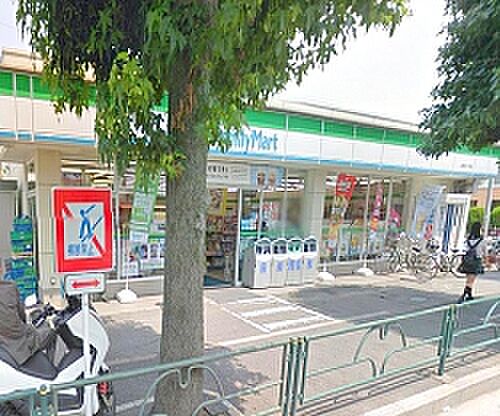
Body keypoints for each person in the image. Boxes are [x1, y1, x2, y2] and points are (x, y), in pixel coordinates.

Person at [0, 281, 53, 365]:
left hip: (5, 349)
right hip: (19, 347)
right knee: (50, 332)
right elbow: (22, 316)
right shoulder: (9, 287)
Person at [458, 222, 487, 303]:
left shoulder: (468, 240)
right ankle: (464, 295)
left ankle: (469, 295)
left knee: (469, 279)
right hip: (476, 261)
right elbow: (485, 253)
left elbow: (465, 250)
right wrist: (486, 262)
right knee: (470, 281)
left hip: (467, 261)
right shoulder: (482, 241)